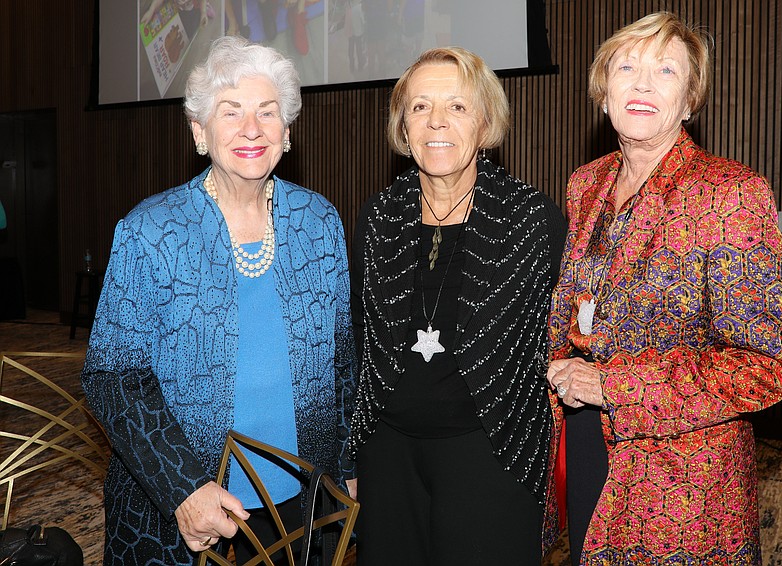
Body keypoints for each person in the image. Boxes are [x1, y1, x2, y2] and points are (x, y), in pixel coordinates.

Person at [81, 35, 356, 565]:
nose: (251, 129)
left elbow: (342, 361)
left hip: (303, 497)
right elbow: (112, 378)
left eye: (267, 112)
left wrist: (347, 466)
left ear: (287, 132)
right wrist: (184, 488)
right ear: (199, 131)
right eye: (231, 112)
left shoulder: (320, 220)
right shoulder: (151, 231)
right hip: (180, 507)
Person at [546, 12, 782, 565]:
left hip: (682, 484)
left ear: (689, 101)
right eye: (626, 67)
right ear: (603, 92)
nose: (642, 84)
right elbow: (581, 305)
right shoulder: (586, 184)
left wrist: (614, 386)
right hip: (586, 441)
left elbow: (766, 367)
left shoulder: (731, 193)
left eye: (665, 70)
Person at [347, 47, 567, 565]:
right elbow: (359, 339)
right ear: (403, 128)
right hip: (389, 457)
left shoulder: (532, 220)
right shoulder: (378, 216)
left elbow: (562, 339)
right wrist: (353, 453)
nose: (437, 122)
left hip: (491, 455)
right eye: (420, 107)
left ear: (485, 123)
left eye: (458, 106)